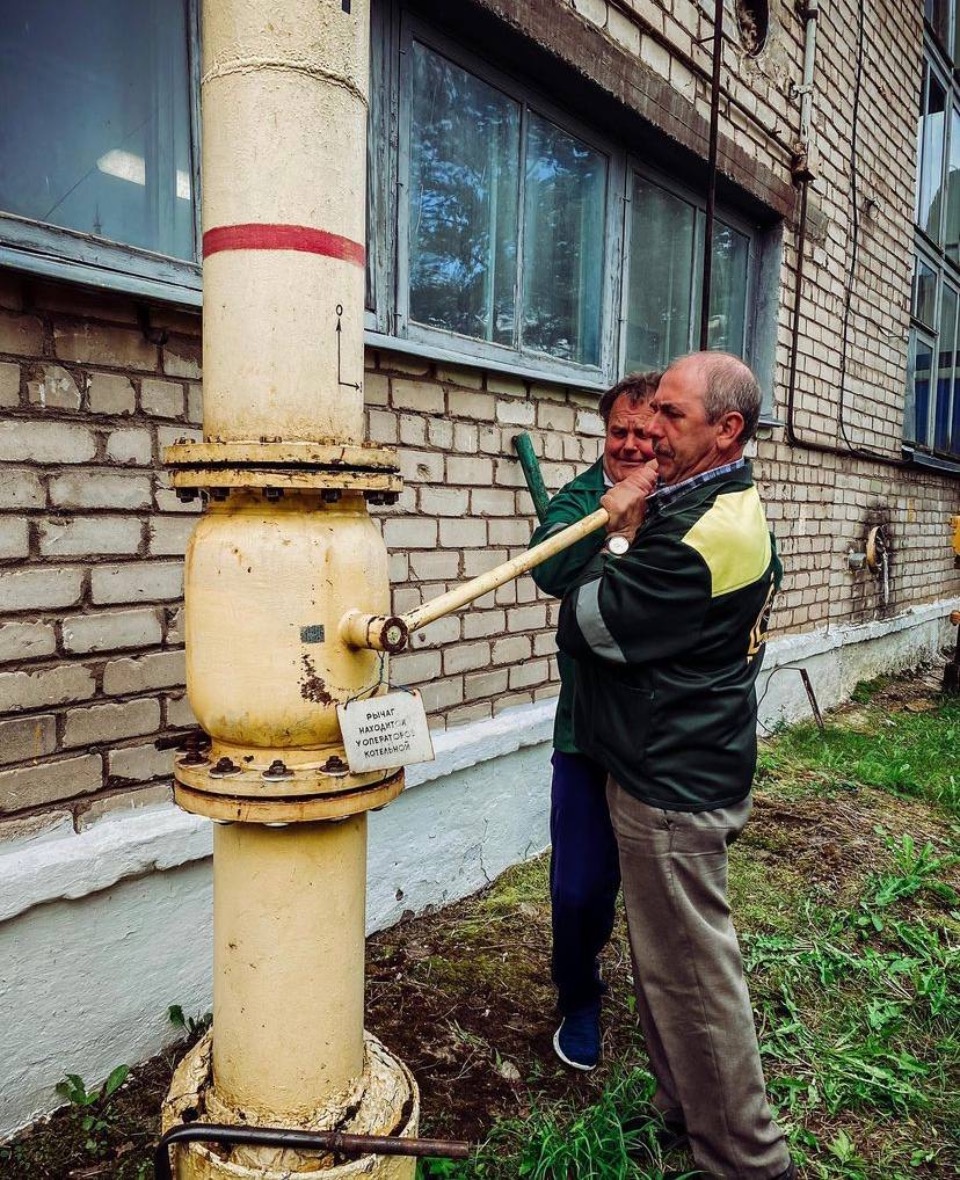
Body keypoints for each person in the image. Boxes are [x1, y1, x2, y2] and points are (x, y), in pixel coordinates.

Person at [557, 351, 793, 1179]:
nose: (649, 431)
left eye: (671, 417)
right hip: (672, 764)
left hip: (673, 785)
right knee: (664, 966)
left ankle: (750, 1163)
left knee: (696, 978)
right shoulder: (706, 497)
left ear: (728, 430)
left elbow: (587, 623)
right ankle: (686, 1112)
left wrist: (618, 530)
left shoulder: (699, 535)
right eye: (649, 410)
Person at [528, 370, 661, 1072]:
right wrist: (613, 529)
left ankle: (668, 1001)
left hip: (660, 732)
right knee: (578, 885)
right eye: (620, 432)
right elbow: (549, 573)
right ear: (604, 434)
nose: (633, 445)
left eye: (647, 433)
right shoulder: (583, 496)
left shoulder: (689, 496)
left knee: (662, 887)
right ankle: (579, 995)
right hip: (586, 730)